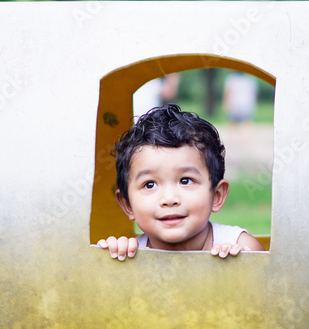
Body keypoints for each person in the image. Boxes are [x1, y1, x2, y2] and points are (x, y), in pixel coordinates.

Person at [97, 104, 264, 260]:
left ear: (216, 195)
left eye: (186, 181)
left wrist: (241, 268)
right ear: (127, 205)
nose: (169, 199)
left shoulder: (242, 248)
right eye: (149, 184)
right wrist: (112, 260)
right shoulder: (129, 256)